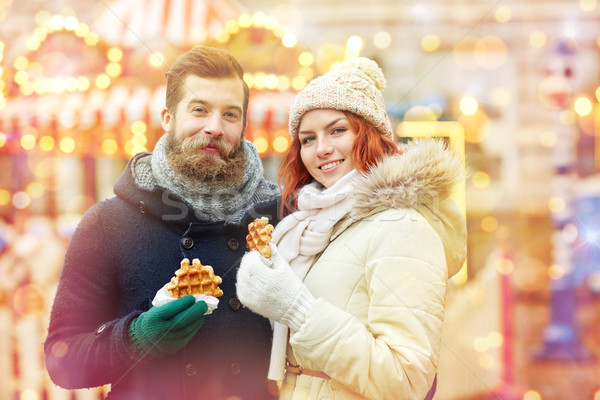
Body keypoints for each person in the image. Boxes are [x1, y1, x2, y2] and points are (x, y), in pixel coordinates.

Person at [44, 46, 281, 400]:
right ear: (167, 118)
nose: (214, 127)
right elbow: (61, 360)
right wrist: (137, 337)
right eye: (199, 110)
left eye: (230, 114)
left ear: (243, 126)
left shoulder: (278, 217)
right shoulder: (108, 223)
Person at [236, 57, 467, 399]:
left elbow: (406, 379)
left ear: (370, 133)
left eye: (337, 130)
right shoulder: (308, 227)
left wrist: (299, 311)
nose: (322, 149)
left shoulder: (403, 226)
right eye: (308, 139)